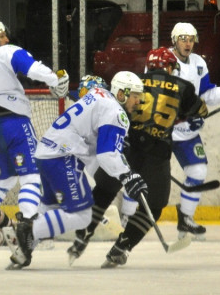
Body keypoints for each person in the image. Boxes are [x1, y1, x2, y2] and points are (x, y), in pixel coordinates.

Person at [118, 23, 220, 240]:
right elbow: (155, 94)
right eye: (183, 38)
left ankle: (185, 221)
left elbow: (206, 93)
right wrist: (184, 112)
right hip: (159, 131)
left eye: (191, 38)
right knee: (142, 173)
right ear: (174, 39)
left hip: (186, 134)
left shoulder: (198, 63)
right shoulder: (161, 60)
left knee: (197, 171)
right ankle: (126, 218)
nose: (188, 42)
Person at [68, 48, 210, 268]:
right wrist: (183, 114)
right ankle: (122, 247)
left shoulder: (137, 81)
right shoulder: (184, 87)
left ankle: (81, 237)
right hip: (157, 154)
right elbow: (200, 110)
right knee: (154, 205)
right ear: (171, 67)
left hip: (125, 146)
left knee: (104, 191)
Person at [4, 71, 148, 269]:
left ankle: (22, 251)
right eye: (135, 96)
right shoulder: (116, 112)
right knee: (82, 215)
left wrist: (117, 153)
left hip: (46, 153)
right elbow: (106, 156)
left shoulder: (98, 94)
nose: (138, 102)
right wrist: (127, 174)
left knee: (49, 208)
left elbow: (96, 152)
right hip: (63, 156)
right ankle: (29, 230)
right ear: (121, 94)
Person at [0, 19, 69, 247]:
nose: (6, 38)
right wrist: (55, 79)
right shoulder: (6, 52)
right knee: (32, 176)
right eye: (1, 35)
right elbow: (33, 69)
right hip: (15, 124)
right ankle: (30, 225)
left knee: (2, 180)